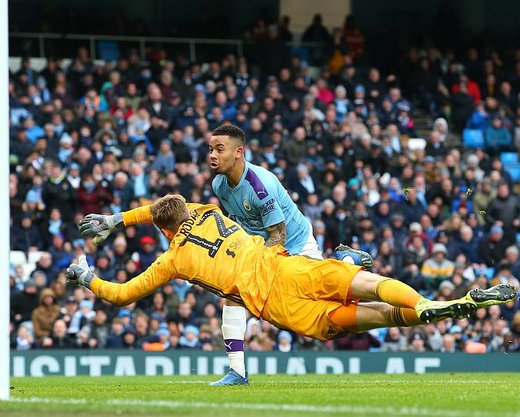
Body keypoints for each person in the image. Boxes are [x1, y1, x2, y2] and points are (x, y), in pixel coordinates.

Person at [70, 194, 516, 380]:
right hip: (286, 266)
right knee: (369, 284)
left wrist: (88, 276)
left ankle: (418, 313)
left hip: (274, 306)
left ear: (163, 231)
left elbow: (123, 294)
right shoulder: (208, 212)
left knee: (363, 320)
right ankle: (432, 302)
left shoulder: (170, 261)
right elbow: (162, 207)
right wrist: (117, 219)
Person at [80, 125, 374, 386]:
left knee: (313, 306)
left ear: (239, 152)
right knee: (232, 298)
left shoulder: (262, 185)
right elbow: (160, 210)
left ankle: (349, 261)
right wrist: (115, 219)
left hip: (294, 244)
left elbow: (278, 236)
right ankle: (237, 371)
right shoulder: (219, 185)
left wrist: (259, 276)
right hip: (256, 249)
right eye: (209, 148)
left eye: (219, 149)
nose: (212, 154)